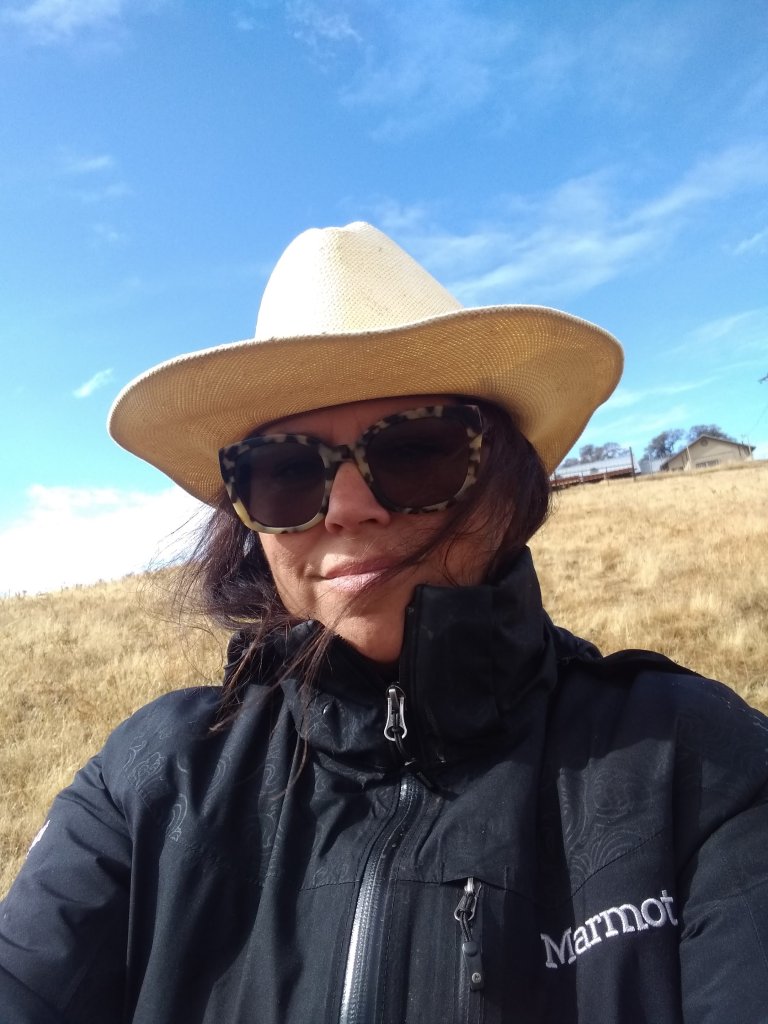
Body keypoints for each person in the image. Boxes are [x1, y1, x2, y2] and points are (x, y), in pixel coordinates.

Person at [0, 222, 766, 1024]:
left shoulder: (699, 764)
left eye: (415, 451)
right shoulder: (148, 782)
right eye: (286, 471)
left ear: (505, 482)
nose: (347, 505)